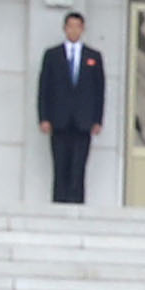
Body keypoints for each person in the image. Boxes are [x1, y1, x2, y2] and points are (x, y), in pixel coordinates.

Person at [35, 11, 103, 204]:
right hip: (59, 119)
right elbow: (44, 88)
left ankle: (77, 205)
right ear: (65, 29)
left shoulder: (93, 56)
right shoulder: (52, 55)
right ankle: (59, 203)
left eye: (77, 26)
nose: (74, 30)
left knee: (79, 165)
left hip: (83, 120)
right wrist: (43, 118)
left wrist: (97, 120)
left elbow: (99, 90)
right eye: (70, 26)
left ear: (83, 29)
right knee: (60, 164)